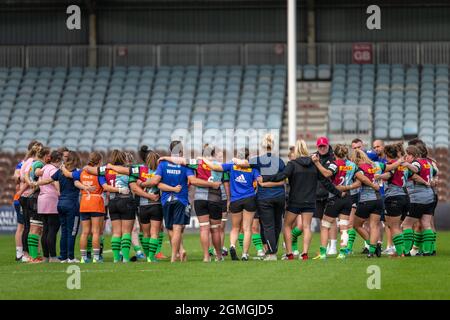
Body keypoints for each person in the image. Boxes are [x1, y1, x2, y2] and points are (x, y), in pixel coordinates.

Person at [262, 140, 344, 260]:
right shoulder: (315, 164)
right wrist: (338, 192)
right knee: (306, 227)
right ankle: (304, 253)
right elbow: (326, 183)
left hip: (295, 201)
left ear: (296, 150)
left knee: (287, 226)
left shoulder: (292, 164)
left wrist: (264, 178)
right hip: (310, 201)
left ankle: (289, 253)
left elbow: (281, 176)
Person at [140, 141, 218, 263]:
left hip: (166, 200)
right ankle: (174, 256)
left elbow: (156, 181)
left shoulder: (163, 164)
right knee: (178, 228)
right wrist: (212, 184)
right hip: (181, 199)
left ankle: (179, 251)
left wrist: (143, 184)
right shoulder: (185, 165)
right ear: (180, 151)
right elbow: (194, 181)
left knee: (170, 229)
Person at [311, 144, 373, 259]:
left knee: (325, 225)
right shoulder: (352, 165)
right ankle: (342, 253)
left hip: (335, 197)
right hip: (348, 198)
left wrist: (317, 163)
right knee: (344, 227)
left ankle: (323, 253)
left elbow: (327, 174)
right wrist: (347, 188)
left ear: (334, 154)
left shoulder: (335, 164)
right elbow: (359, 182)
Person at [232, 133, 286, 261]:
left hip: (264, 197)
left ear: (262, 147)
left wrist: (234, 160)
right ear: (273, 147)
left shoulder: (257, 160)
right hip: (279, 196)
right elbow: (284, 180)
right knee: (277, 225)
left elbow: (242, 164)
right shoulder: (279, 161)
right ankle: (274, 250)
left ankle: (271, 253)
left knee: (267, 226)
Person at [200, 147, 261, 261]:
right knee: (247, 228)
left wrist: (203, 158)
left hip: (235, 200)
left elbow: (214, 166)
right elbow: (260, 181)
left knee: (235, 228)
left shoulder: (232, 165)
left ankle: (232, 245)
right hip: (249, 198)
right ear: (248, 157)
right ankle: (244, 254)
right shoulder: (252, 168)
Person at [61, 151, 123, 263]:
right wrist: (119, 189)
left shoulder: (82, 172)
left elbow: (69, 175)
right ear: (99, 161)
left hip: (84, 202)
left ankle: (84, 258)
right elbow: (105, 187)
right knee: (96, 231)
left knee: (85, 232)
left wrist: (62, 167)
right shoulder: (99, 174)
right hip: (96, 202)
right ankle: (96, 257)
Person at [36, 151, 82, 263]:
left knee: (64, 231)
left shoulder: (60, 171)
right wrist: (86, 187)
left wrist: (36, 183)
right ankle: (70, 257)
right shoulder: (77, 172)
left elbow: (48, 180)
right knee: (72, 232)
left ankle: (63, 257)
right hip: (72, 204)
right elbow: (76, 182)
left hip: (60, 204)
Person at [402, 145, 438, 256]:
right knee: (426, 224)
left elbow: (416, 170)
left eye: (407, 155)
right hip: (430, 196)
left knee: (406, 225)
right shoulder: (428, 163)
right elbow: (435, 174)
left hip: (417, 198)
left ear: (412, 155)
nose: (406, 157)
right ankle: (428, 251)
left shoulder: (415, 163)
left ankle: (406, 252)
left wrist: (407, 165)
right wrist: (430, 182)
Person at [350, 149, 384, 258]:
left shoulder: (358, 168)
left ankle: (371, 245)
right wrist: (400, 162)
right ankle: (374, 249)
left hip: (366, 200)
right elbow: (390, 169)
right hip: (379, 199)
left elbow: (362, 179)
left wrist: (347, 187)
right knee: (374, 225)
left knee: (356, 224)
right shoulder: (376, 165)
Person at [17, 141, 43, 262]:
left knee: (27, 226)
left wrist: (20, 191)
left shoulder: (24, 162)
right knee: (30, 226)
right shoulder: (33, 163)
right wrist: (33, 186)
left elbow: (21, 177)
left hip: (24, 195)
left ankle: (27, 253)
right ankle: (27, 254)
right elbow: (29, 177)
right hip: (29, 195)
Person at [25, 146, 51, 262]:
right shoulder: (39, 165)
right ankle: (34, 257)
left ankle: (33, 255)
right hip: (36, 198)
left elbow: (28, 176)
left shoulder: (33, 163)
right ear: (45, 156)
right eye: (49, 155)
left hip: (33, 197)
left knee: (35, 228)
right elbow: (37, 172)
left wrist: (32, 182)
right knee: (35, 228)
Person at [313, 136, 338, 255]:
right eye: (320, 146)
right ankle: (327, 244)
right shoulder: (314, 156)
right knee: (323, 220)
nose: (322, 148)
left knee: (331, 220)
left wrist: (317, 163)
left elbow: (328, 174)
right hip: (317, 194)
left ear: (328, 145)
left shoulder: (333, 157)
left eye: (324, 146)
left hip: (330, 193)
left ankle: (333, 245)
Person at [36, 150, 61, 263]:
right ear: (58, 160)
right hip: (51, 200)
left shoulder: (45, 167)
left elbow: (38, 174)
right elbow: (55, 181)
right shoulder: (53, 169)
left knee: (45, 230)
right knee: (52, 230)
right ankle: (53, 256)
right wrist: (59, 191)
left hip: (42, 200)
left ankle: (46, 256)